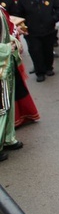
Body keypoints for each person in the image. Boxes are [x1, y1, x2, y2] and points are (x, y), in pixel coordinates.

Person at [16, 0, 59, 82]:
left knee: (48, 49)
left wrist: (54, 18)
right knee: (36, 51)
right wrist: (24, 27)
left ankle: (48, 68)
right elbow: (18, 14)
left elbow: (58, 6)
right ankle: (39, 72)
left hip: (49, 29)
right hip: (32, 31)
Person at [0, 8, 23, 162]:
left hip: (5, 67)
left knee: (7, 105)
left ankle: (7, 138)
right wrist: (8, 48)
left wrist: (12, 41)